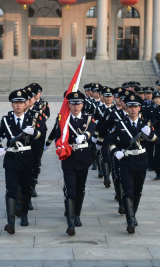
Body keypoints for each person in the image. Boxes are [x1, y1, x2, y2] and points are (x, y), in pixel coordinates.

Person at [0, 89, 43, 234]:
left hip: (27, 159)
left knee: (26, 189)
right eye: (16, 102)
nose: (19, 105)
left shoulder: (32, 118)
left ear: (25, 103)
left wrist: (35, 133)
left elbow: (41, 136)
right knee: (11, 190)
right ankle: (10, 222)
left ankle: (24, 214)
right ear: (12, 104)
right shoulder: (6, 120)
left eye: (21, 102)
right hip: (11, 159)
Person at [107, 93, 159, 234]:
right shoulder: (120, 123)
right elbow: (109, 140)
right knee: (128, 190)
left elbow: (156, 141)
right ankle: (130, 220)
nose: (133, 109)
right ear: (126, 108)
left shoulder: (145, 124)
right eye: (130, 107)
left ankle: (133, 215)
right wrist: (115, 151)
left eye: (135, 106)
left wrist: (150, 134)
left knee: (137, 190)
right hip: (125, 161)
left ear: (140, 108)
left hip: (141, 161)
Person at [55, 91, 95, 236]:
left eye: (78, 103)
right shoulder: (62, 118)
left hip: (83, 157)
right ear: (68, 104)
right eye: (72, 103)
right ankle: (71, 221)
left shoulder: (88, 118)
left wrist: (85, 135)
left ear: (83, 104)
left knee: (80, 188)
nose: (76, 106)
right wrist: (59, 146)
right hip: (68, 157)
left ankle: (76, 213)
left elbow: (92, 130)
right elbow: (57, 135)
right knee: (70, 189)